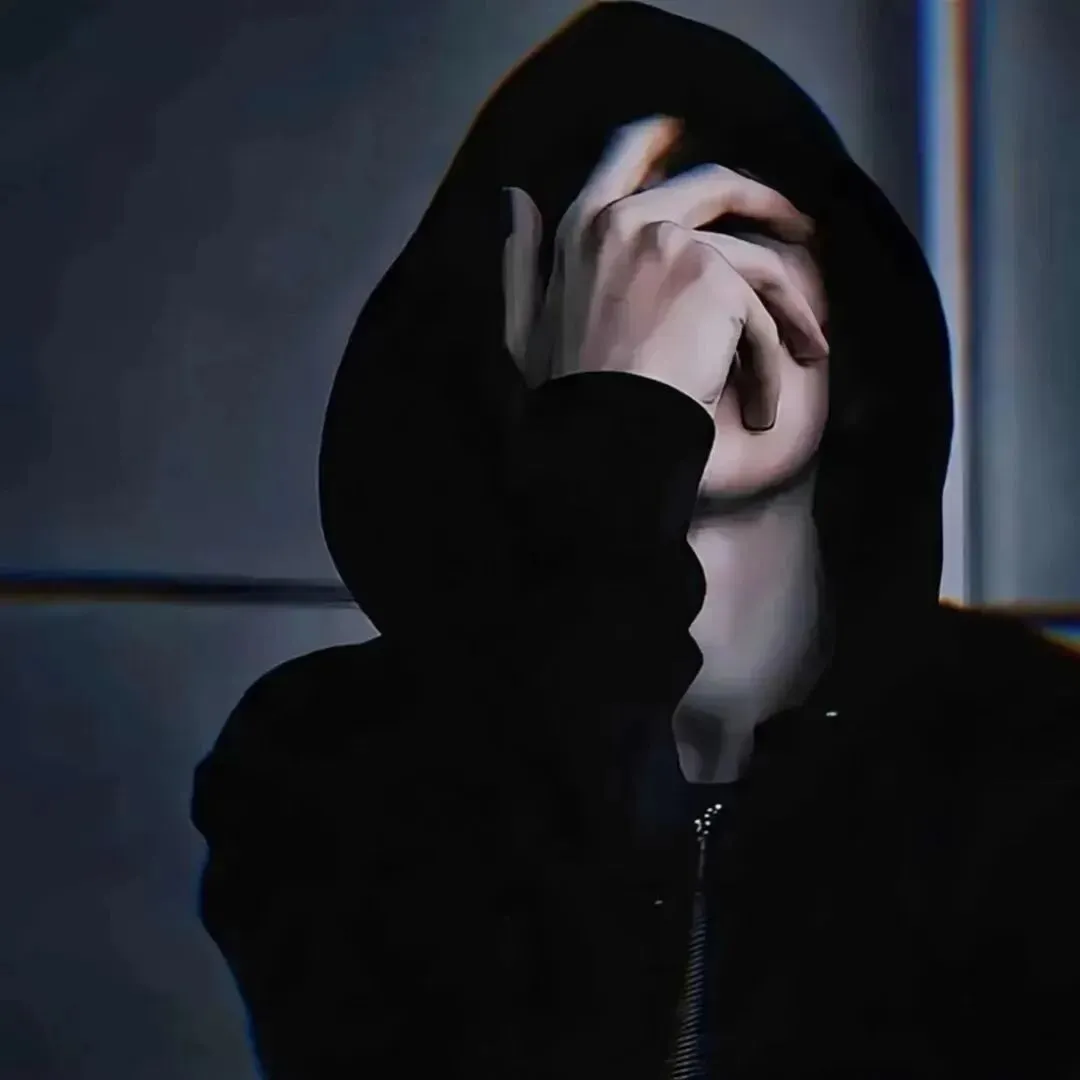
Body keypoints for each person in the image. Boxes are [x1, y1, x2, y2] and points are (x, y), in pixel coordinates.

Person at [191, 4, 1080, 1078]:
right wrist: (614, 433)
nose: (683, 295)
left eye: (738, 233)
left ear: (860, 327)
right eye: (602, 262)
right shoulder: (329, 756)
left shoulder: (1038, 750)